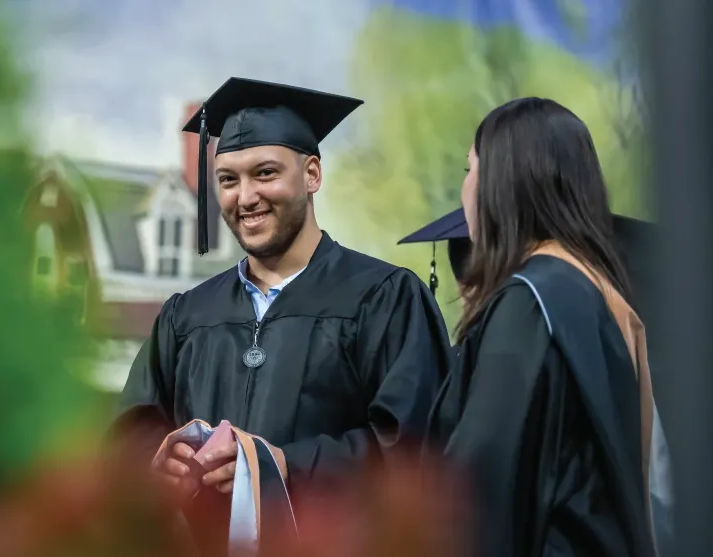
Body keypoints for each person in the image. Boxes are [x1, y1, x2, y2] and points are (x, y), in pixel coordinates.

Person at [112, 77, 450, 556]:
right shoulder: (188, 317)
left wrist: (281, 464)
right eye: (228, 179)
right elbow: (129, 441)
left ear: (312, 174)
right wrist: (157, 462)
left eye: (265, 173)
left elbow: (415, 455)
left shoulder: (383, 300)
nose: (245, 197)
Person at [424, 97, 658, 557]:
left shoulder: (529, 304)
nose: (465, 189)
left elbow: (481, 492)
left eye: (469, 170)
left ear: (503, 181)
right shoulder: (594, 288)